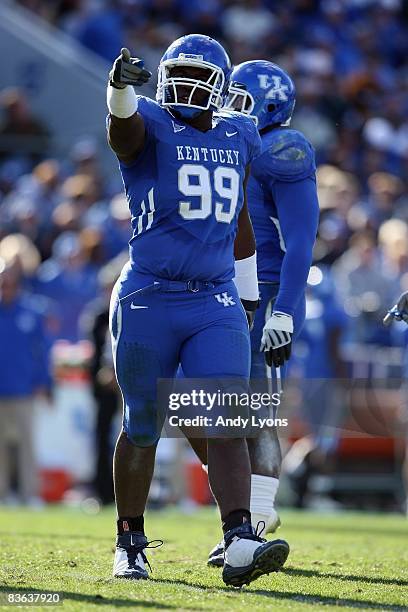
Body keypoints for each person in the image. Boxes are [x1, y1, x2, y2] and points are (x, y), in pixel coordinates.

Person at [106, 36, 290, 587]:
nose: (187, 84)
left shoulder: (239, 134)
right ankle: (130, 543)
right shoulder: (152, 122)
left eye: (198, 74)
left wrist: (251, 294)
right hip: (149, 294)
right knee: (143, 423)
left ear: (220, 85)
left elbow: (239, 222)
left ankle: (238, 539)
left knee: (228, 420)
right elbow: (124, 133)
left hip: (213, 298)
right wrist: (117, 93)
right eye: (178, 72)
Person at [205, 60, 319, 565]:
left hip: (265, 290)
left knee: (254, 409)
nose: (230, 108)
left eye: (242, 101)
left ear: (270, 107)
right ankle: (245, 519)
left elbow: (300, 243)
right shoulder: (227, 142)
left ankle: (257, 515)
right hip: (220, 288)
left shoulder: (283, 148)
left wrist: (285, 312)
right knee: (213, 407)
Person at [0, 258, 51, 504]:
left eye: (8, 283)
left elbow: (42, 350)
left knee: (27, 444)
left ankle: (29, 493)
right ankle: (2, 493)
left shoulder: (31, 311)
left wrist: (44, 381)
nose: (4, 288)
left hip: (23, 388)